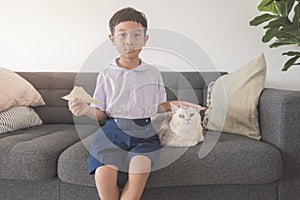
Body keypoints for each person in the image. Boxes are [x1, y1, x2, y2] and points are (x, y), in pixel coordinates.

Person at [68, 7, 205, 200]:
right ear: (112, 39)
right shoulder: (106, 74)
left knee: (139, 170)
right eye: (122, 35)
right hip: (111, 133)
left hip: (144, 133)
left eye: (136, 35)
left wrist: (179, 104)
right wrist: (85, 110)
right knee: (103, 174)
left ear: (145, 39)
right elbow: (102, 113)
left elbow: (157, 107)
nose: (129, 41)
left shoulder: (153, 73)